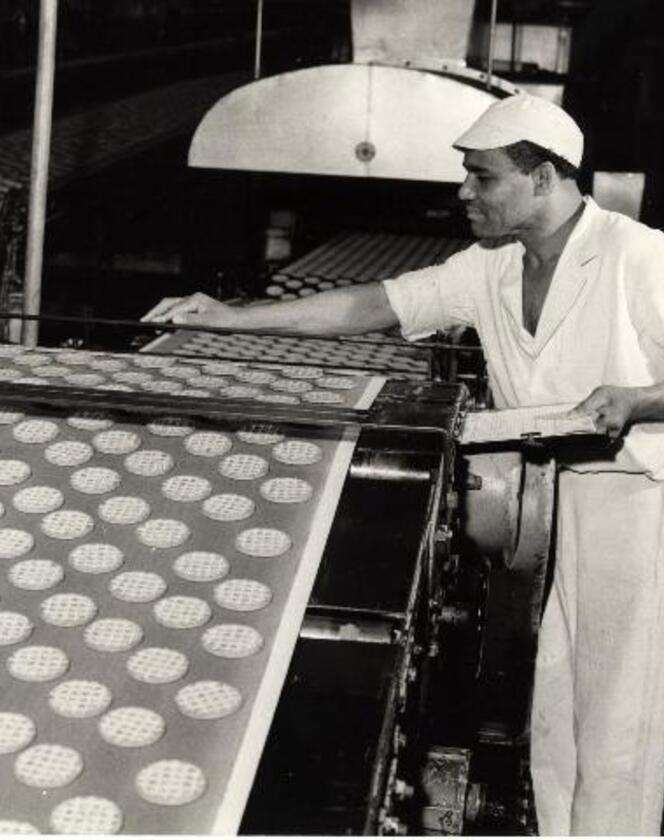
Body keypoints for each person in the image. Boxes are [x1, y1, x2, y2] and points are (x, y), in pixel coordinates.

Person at [146, 92, 664, 835]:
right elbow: (377, 304)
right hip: (551, 509)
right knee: (557, 712)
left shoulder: (637, 255)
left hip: (638, 511)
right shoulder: (493, 267)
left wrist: (639, 400)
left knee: (621, 723)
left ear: (545, 178)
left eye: (482, 178)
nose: (463, 193)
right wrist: (230, 318)